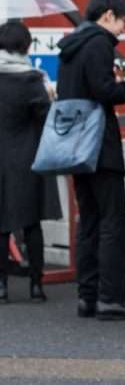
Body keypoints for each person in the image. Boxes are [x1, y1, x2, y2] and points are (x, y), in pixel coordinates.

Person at [57, 0, 125, 320]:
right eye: (124, 21)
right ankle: (110, 298)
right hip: (100, 146)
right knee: (113, 220)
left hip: (75, 147)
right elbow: (103, 90)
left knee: (89, 221)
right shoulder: (98, 43)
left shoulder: (71, 46)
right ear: (108, 14)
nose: (124, 29)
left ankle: (87, 296)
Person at [0, 22, 61, 303]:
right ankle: (37, 285)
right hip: (27, 156)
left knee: (1, 225)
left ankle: (1, 287)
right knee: (31, 222)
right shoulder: (32, 79)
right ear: (26, 47)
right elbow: (46, 118)